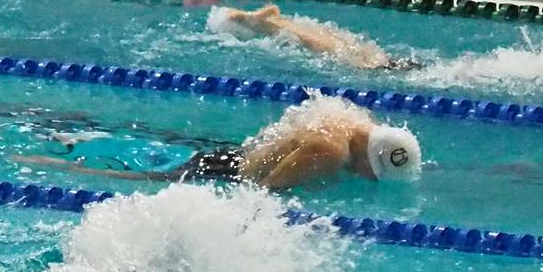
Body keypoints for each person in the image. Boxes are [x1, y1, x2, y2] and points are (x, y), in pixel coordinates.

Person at [172, 94, 423, 192]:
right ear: (371, 157)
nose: (370, 178)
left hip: (238, 152)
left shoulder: (359, 123)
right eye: (375, 173)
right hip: (221, 171)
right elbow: (262, 192)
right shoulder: (330, 151)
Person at [210, 0, 415, 73]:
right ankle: (261, 20)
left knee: (335, 42)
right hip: (372, 62)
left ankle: (264, 19)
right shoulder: (376, 64)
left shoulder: (378, 58)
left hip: (375, 60)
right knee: (329, 45)